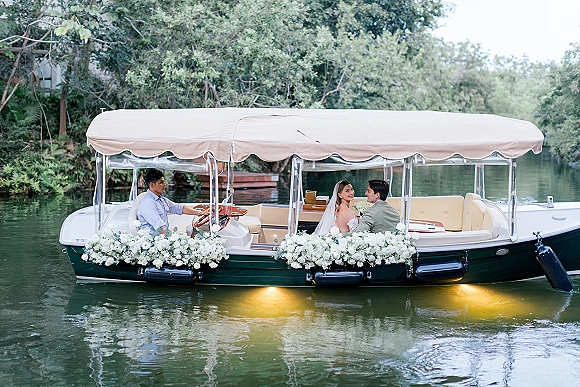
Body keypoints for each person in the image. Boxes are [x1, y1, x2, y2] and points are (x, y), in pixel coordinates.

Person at [137, 168, 208, 235]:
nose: (165, 184)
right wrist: (175, 238)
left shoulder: (160, 198)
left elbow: (179, 208)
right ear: (152, 185)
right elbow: (160, 228)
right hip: (154, 242)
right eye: (161, 182)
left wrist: (201, 213)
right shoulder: (148, 204)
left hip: (163, 237)